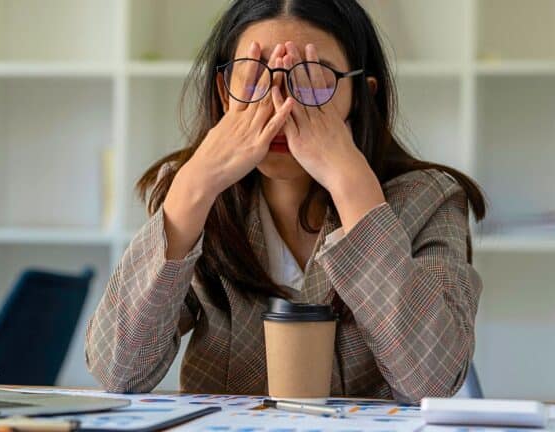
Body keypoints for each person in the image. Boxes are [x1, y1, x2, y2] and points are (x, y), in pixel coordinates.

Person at [85, 0, 486, 404]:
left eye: (313, 80)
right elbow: (118, 371)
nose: (280, 105)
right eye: (255, 76)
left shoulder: (430, 199)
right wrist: (192, 188)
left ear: (360, 97)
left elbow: (432, 383)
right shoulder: (199, 197)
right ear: (225, 93)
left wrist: (353, 188)